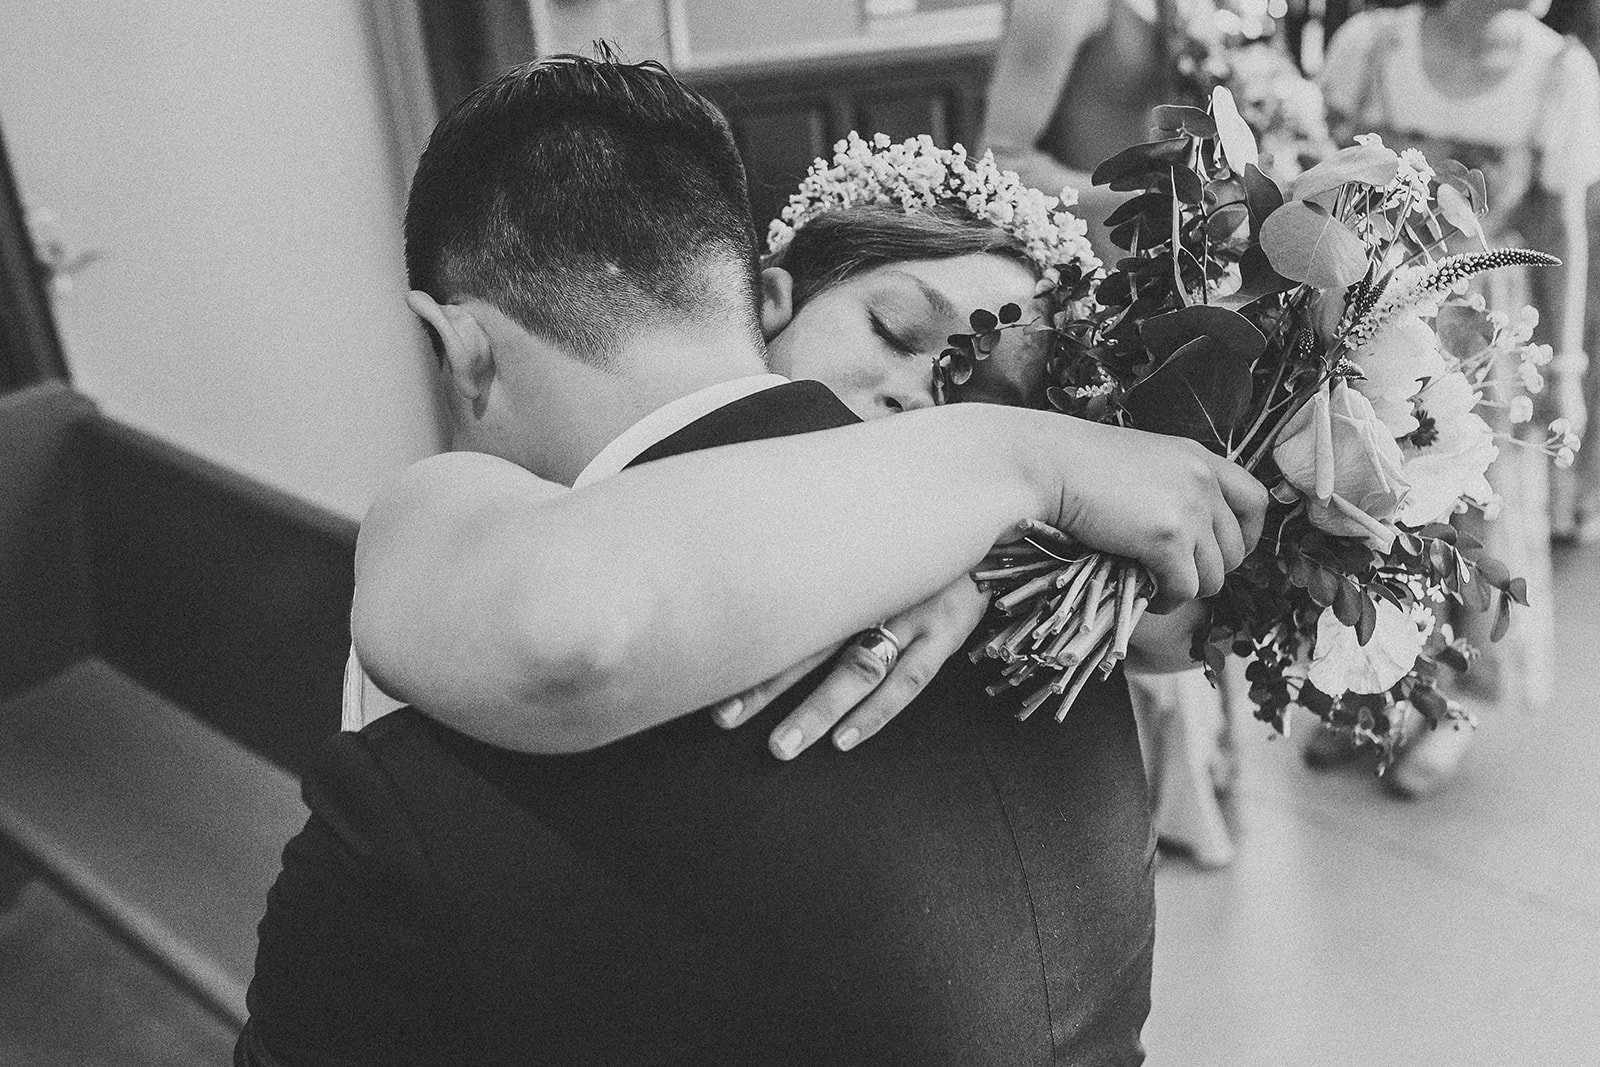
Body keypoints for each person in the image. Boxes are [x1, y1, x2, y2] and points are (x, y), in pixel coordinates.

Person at [238, 56, 1266, 1064]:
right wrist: (1030, 460)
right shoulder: (1057, 655)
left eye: (983, 396)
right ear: (757, 293)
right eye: (896, 329)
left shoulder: (432, 760)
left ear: (456, 343)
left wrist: (1024, 475)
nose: (920, 402)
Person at [1313, 0, 1600, 795]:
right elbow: (1319, 185)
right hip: (1371, 307)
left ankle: (1454, 709)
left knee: (1477, 514)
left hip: (1486, 324)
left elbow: (1564, 228)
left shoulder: (1559, 74)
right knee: (1366, 501)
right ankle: (1371, 692)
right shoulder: (1371, 47)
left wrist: (1568, 374)